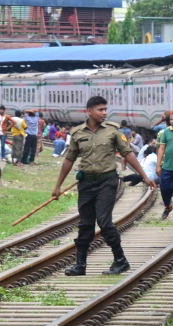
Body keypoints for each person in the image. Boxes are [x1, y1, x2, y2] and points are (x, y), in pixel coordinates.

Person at [52, 96, 156, 276]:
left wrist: (144, 176)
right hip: (85, 183)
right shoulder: (77, 133)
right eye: (100, 110)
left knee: (104, 221)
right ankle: (80, 265)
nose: (104, 113)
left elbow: (128, 154)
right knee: (85, 223)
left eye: (105, 109)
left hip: (107, 182)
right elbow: (69, 159)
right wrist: (57, 186)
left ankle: (120, 260)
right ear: (89, 111)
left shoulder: (113, 130)